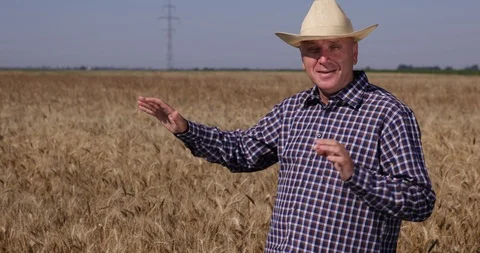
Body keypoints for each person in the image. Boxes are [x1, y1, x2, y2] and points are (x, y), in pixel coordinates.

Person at [137, 0, 436, 251]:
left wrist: (356, 175)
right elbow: (242, 151)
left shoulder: (389, 114)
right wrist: (186, 129)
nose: (323, 59)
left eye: (334, 47)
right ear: (301, 57)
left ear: (354, 51)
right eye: (312, 49)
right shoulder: (292, 110)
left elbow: (420, 202)